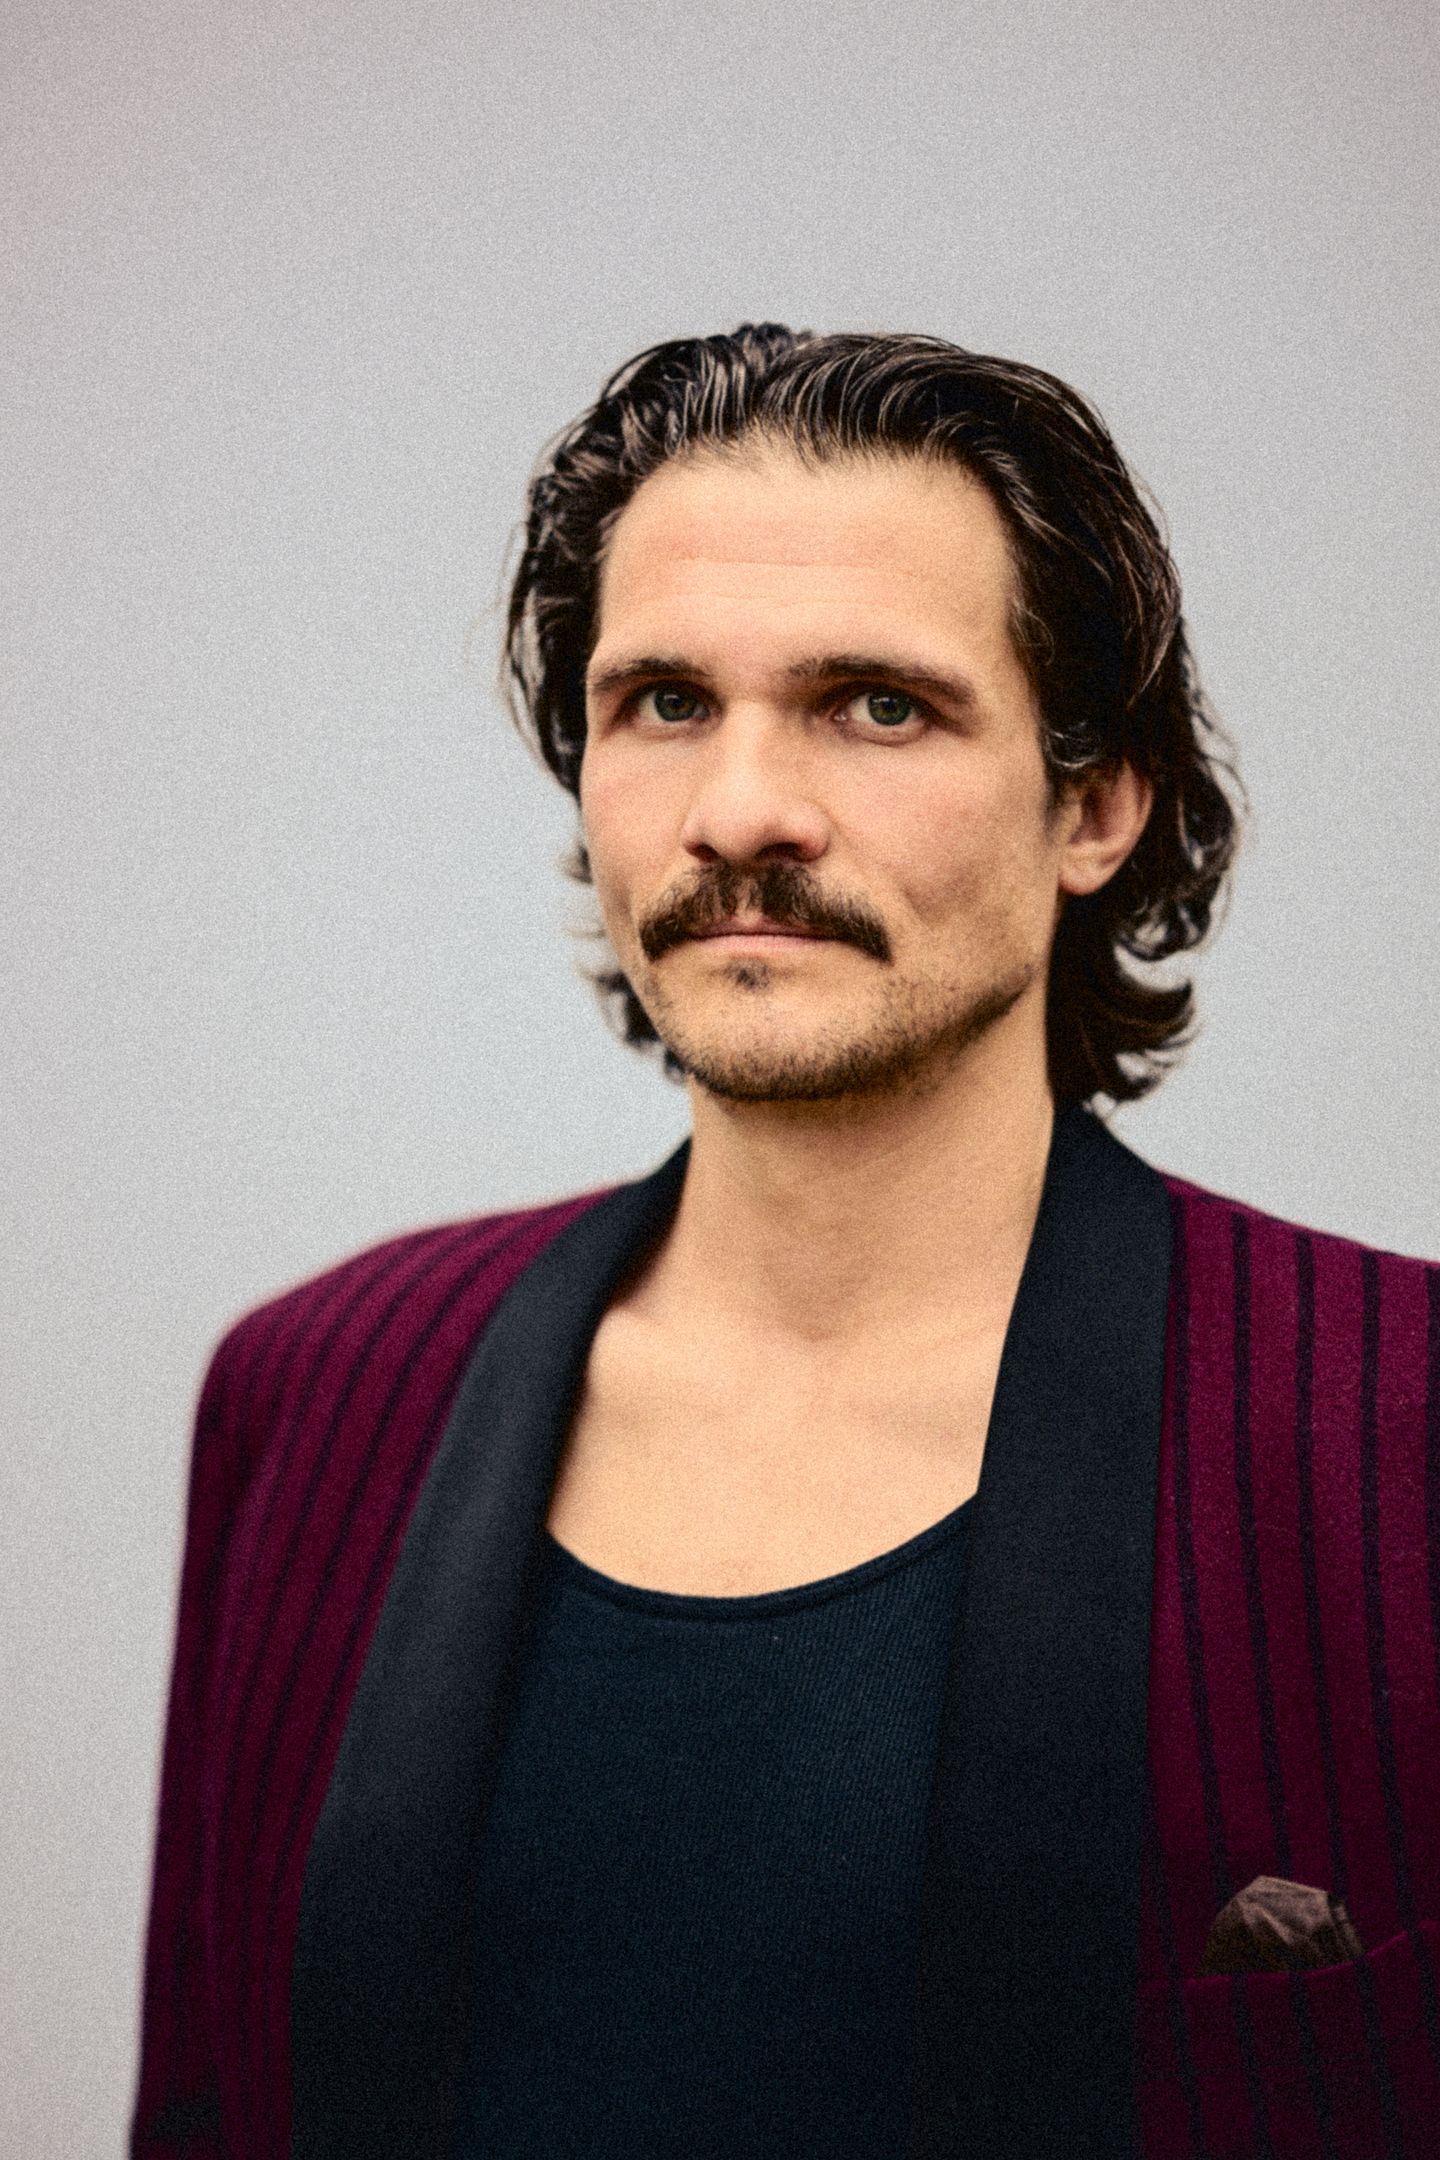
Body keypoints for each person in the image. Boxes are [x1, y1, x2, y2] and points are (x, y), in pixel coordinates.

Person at [131, 328, 1440, 2160]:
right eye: (665, 701)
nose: (740, 808)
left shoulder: (1400, 1430)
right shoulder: (315, 1392)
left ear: (1094, 805)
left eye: (876, 705)